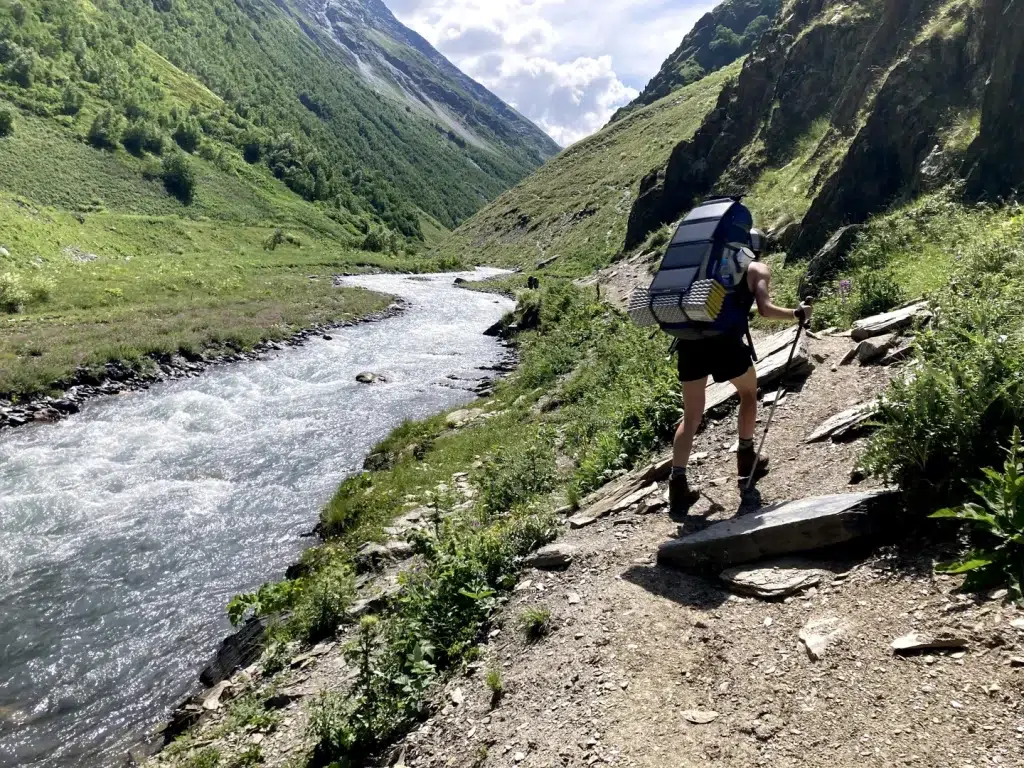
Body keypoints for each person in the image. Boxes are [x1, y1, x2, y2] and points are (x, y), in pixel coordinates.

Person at [668, 232, 811, 515]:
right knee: (748, 392)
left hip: (690, 344)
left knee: (692, 415)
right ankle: (746, 457)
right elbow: (766, 310)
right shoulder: (756, 268)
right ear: (758, 249)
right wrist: (797, 314)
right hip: (726, 344)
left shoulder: (704, 265)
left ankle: (678, 485)